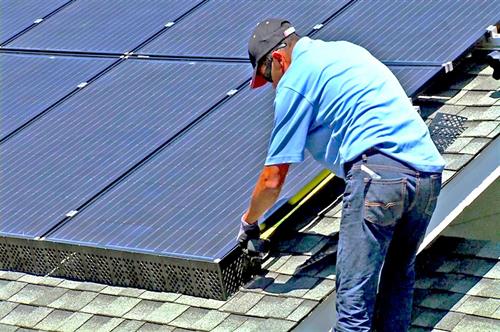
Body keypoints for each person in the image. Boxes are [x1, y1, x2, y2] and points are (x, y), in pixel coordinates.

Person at [237, 19, 445, 331]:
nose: (272, 85)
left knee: (353, 311)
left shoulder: (294, 79)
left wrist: (249, 222)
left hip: (378, 175)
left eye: (267, 77)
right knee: (397, 277)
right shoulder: (345, 52)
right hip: (427, 177)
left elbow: (272, 180)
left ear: (278, 59)